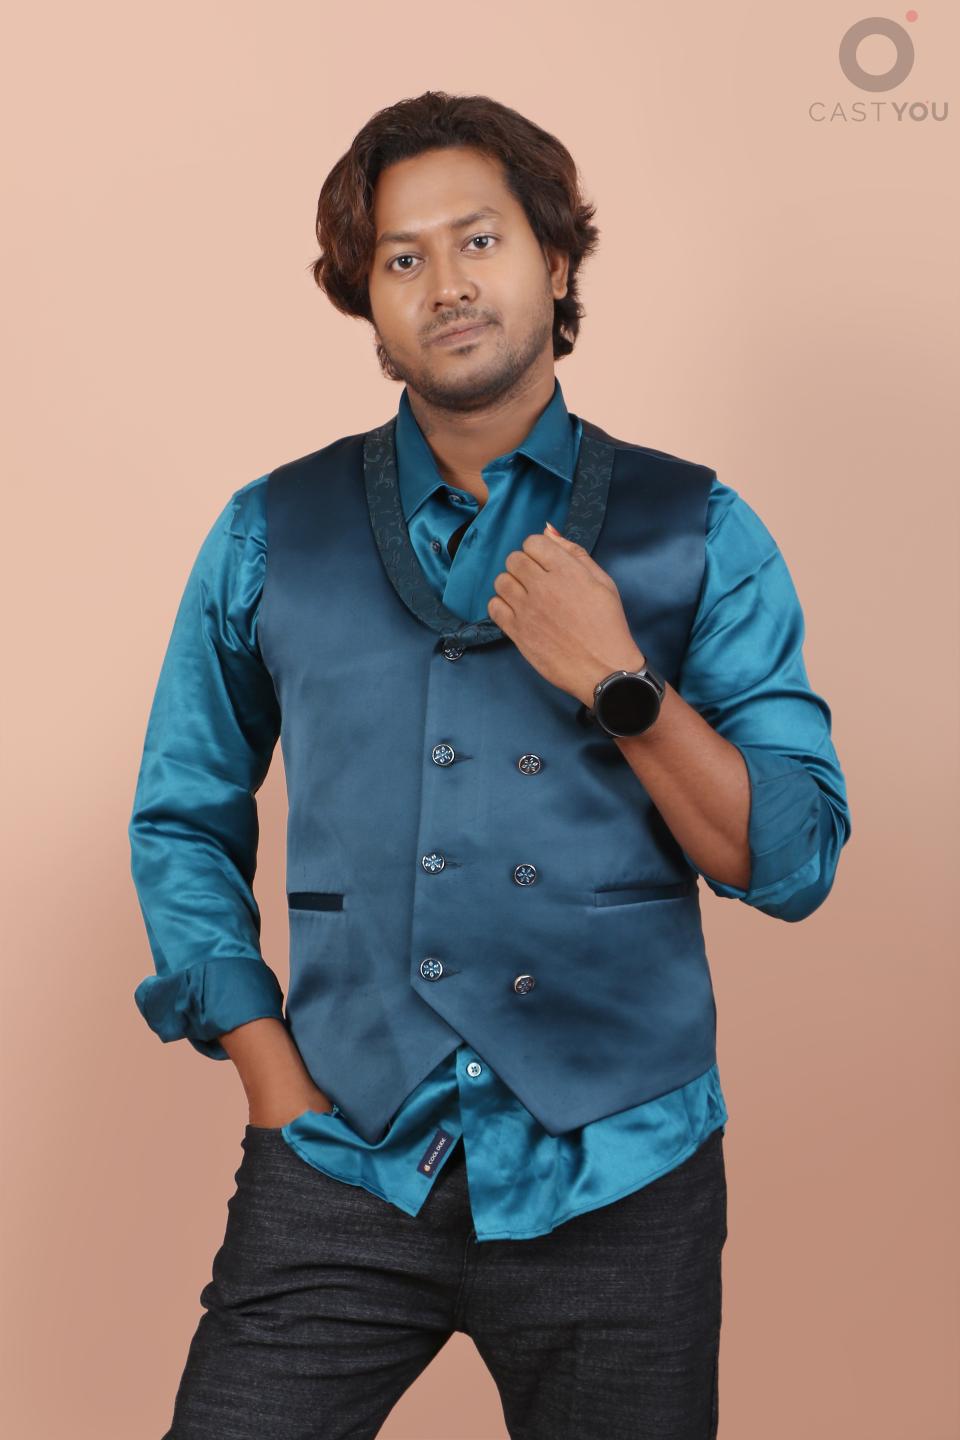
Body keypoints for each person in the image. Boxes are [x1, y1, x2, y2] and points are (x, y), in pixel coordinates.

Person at [129, 90, 851, 1440]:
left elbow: (793, 862)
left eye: (480, 240)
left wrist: (622, 683)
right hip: (342, 1156)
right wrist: (266, 1069)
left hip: (623, 1171)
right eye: (403, 257)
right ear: (365, 297)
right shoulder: (268, 532)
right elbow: (182, 814)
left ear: (555, 260)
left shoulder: (700, 529)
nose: (447, 284)